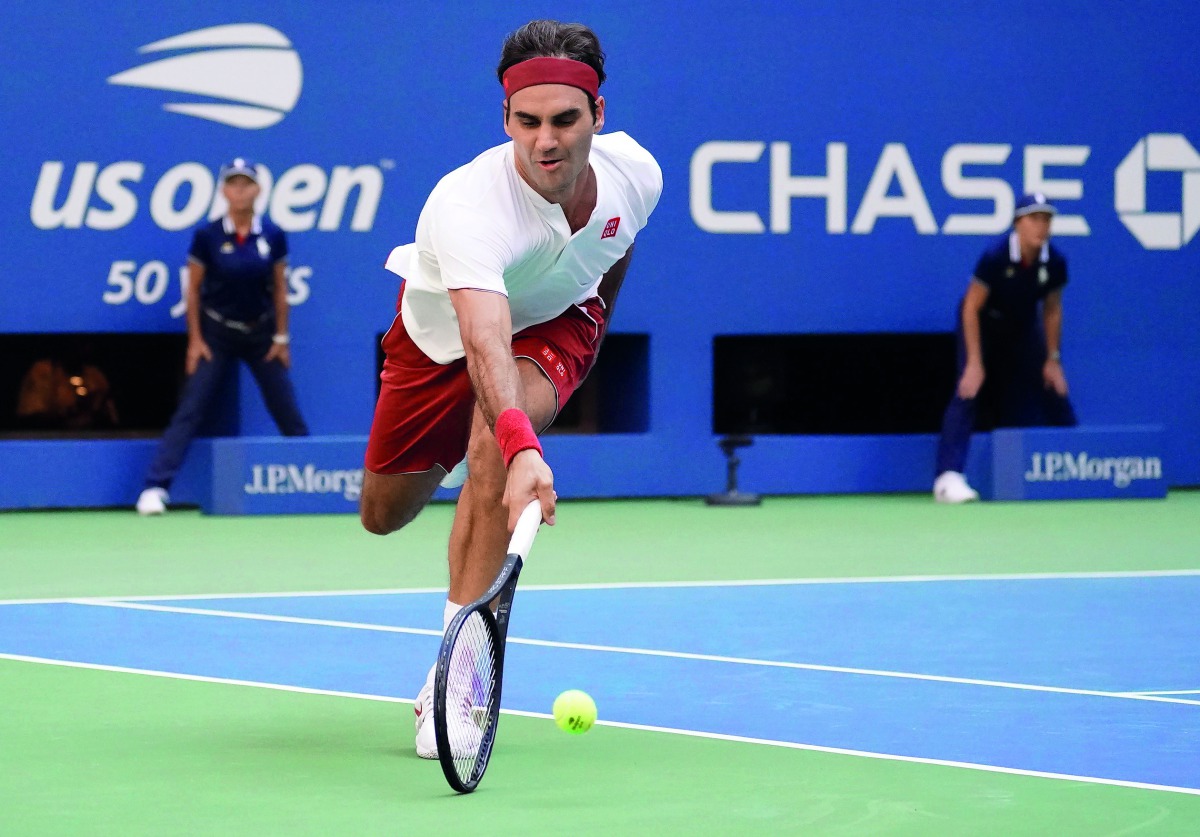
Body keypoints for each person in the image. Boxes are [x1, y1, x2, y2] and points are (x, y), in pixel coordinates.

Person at [357, 20, 662, 758]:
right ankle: (475, 470)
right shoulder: (469, 205)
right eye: (527, 122)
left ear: (598, 113)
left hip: (556, 322)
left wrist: (591, 328)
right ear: (505, 119)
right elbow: (484, 343)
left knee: (498, 435)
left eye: (564, 120)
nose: (545, 141)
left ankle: (455, 677)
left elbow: (616, 243)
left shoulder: (637, 174)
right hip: (443, 341)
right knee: (382, 514)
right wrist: (526, 451)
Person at [136, 158, 309, 515]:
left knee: (286, 406)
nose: (240, 190)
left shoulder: (272, 234)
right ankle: (155, 487)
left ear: (258, 190)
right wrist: (195, 341)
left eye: (247, 184)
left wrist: (281, 338)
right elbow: (193, 290)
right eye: (233, 183)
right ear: (224, 191)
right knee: (192, 408)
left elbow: (280, 288)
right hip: (216, 335)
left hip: (261, 335)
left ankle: (313, 478)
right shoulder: (208, 235)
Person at [933, 193, 1077, 503]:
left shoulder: (1055, 261)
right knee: (968, 388)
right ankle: (948, 478)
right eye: (1034, 219)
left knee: (1053, 385)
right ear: (1017, 223)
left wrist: (1053, 358)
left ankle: (1081, 462)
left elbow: (1052, 308)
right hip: (982, 322)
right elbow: (971, 307)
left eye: (1047, 219)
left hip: (1022, 326)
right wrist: (974, 362)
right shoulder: (995, 255)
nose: (1042, 226)